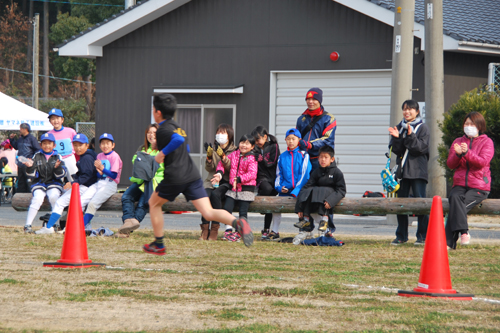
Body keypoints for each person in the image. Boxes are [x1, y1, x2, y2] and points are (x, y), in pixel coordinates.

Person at [144, 93, 253, 255]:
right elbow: (185, 148)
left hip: (175, 175)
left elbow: (178, 142)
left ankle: (159, 243)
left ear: (158, 112)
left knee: (153, 203)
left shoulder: (163, 130)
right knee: (208, 212)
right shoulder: (178, 127)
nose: (153, 112)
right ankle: (237, 223)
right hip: (192, 174)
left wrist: (161, 154)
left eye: (153, 109)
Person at [445, 112, 494, 249]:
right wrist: (458, 155)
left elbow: (482, 162)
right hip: (460, 183)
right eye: (466, 124)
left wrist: (467, 153)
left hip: (479, 186)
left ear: (479, 126)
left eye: (472, 124)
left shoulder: (487, 142)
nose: (468, 127)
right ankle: (464, 233)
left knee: (457, 207)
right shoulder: (457, 141)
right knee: (454, 197)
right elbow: (450, 164)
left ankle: (448, 243)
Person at [35, 134, 98, 234]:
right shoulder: (88, 155)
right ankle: (70, 228)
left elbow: (87, 176)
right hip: (88, 186)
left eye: (80, 145)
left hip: (85, 187)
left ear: (87, 145)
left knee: (61, 202)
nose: (77, 148)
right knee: (75, 206)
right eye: (75, 145)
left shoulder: (86, 158)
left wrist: (73, 183)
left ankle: (49, 227)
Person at [388, 99, 429, 246]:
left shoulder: (422, 128)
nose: (407, 112)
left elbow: (420, 149)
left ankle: (422, 236)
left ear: (417, 111)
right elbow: (396, 150)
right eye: (404, 109)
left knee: (421, 203)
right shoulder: (400, 127)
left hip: (418, 171)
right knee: (401, 204)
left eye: (410, 109)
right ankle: (401, 236)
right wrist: (397, 138)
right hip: (403, 171)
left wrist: (411, 136)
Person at [119, 124, 164, 236]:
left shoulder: (164, 150)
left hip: (154, 182)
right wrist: (146, 160)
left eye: (154, 132)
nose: (151, 135)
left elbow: (161, 168)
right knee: (126, 196)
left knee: (143, 204)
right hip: (140, 181)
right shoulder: (142, 148)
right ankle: (128, 222)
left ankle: (126, 231)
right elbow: (135, 162)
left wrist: (146, 160)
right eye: (149, 132)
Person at [267, 128, 311, 241]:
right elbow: (278, 175)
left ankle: (305, 232)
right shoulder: (282, 157)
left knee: (305, 207)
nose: (291, 141)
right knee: (276, 207)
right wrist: (280, 188)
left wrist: (296, 190)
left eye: (293, 139)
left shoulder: (304, 155)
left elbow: (305, 175)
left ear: (299, 140)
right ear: (285, 140)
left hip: (300, 191)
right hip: (285, 191)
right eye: (288, 139)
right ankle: (275, 231)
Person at [213, 134, 258, 242]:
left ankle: (240, 233)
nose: (243, 145)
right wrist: (219, 173)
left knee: (243, 212)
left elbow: (252, 174)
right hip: (233, 189)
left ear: (252, 147)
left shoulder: (252, 158)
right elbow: (222, 163)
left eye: (247, 143)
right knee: (227, 209)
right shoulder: (234, 154)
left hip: (246, 189)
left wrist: (239, 179)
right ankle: (228, 231)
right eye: (242, 142)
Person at [294, 145, 346, 239]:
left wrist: (331, 201)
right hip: (315, 201)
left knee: (324, 189)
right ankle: (306, 221)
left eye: (326, 157)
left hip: (327, 202)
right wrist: (299, 208)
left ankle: (325, 222)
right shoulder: (316, 172)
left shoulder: (337, 173)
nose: (323, 160)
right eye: (321, 157)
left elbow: (341, 190)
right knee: (309, 190)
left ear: (332, 159)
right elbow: (306, 187)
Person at [200, 123, 237, 241]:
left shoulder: (234, 150)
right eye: (218, 133)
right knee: (205, 197)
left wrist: (223, 157)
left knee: (216, 196)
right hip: (212, 180)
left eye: (223, 133)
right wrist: (209, 157)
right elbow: (209, 169)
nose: (219, 135)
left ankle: (214, 229)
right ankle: (205, 229)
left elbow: (231, 168)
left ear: (229, 135)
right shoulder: (214, 148)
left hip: (225, 181)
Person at [23, 133, 66, 233]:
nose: (47, 145)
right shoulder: (37, 156)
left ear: (54, 145)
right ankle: (28, 225)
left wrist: (57, 168)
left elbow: (61, 175)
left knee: (54, 196)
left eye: (49, 143)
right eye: (44, 143)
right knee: (37, 198)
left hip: (54, 183)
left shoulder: (58, 156)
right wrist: (29, 167)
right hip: (39, 183)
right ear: (40, 145)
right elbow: (32, 175)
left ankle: (55, 223)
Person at [81, 133, 123, 230]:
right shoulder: (99, 155)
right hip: (100, 182)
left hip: (110, 184)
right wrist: (99, 172)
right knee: (81, 200)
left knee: (92, 203)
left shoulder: (115, 156)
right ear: (99, 146)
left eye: (108, 143)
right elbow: (98, 175)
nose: (105, 145)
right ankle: (77, 224)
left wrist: (102, 169)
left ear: (113, 145)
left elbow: (114, 175)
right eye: (103, 143)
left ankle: (81, 227)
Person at [295, 88, 336, 171]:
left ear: (320, 101)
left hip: (321, 161)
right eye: (308, 99)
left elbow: (328, 139)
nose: (310, 102)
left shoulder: (329, 119)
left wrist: (310, 144)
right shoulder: (301, 118)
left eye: (314, 99)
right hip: (304, 160)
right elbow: (296, 137)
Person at [251, 125, 281, 240]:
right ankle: (259, 198)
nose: (257, 142)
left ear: (265, 137)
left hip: (273, 178)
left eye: (258, 139)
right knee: (267, 189)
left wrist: (261, 159)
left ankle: (266, 230)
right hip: (261, 178)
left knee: (269, 206)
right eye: (255, 140)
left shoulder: (274, 146)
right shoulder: (255, 148)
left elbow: (272, 163)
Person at [9, 123, 40, 193]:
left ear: (25, 129)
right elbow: (16, 146)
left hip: (28, 165)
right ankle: (21, 198)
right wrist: (12, 139)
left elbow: (38, 150)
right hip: (20, 164)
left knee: (29, 182)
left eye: (21, 129)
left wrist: (32, 159)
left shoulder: (32, 139)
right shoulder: (20, 138)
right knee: (21, 182)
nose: (20, 130)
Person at [47, 108, 78, 177]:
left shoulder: (71, 131)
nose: (55, 121)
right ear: (50, 121)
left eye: (57, 118)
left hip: (70, 158)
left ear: (62, 120)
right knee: (58, 179)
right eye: (53, 119)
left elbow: (76, 144)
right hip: (56, 159)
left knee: (73, 178)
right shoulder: (49, 135)